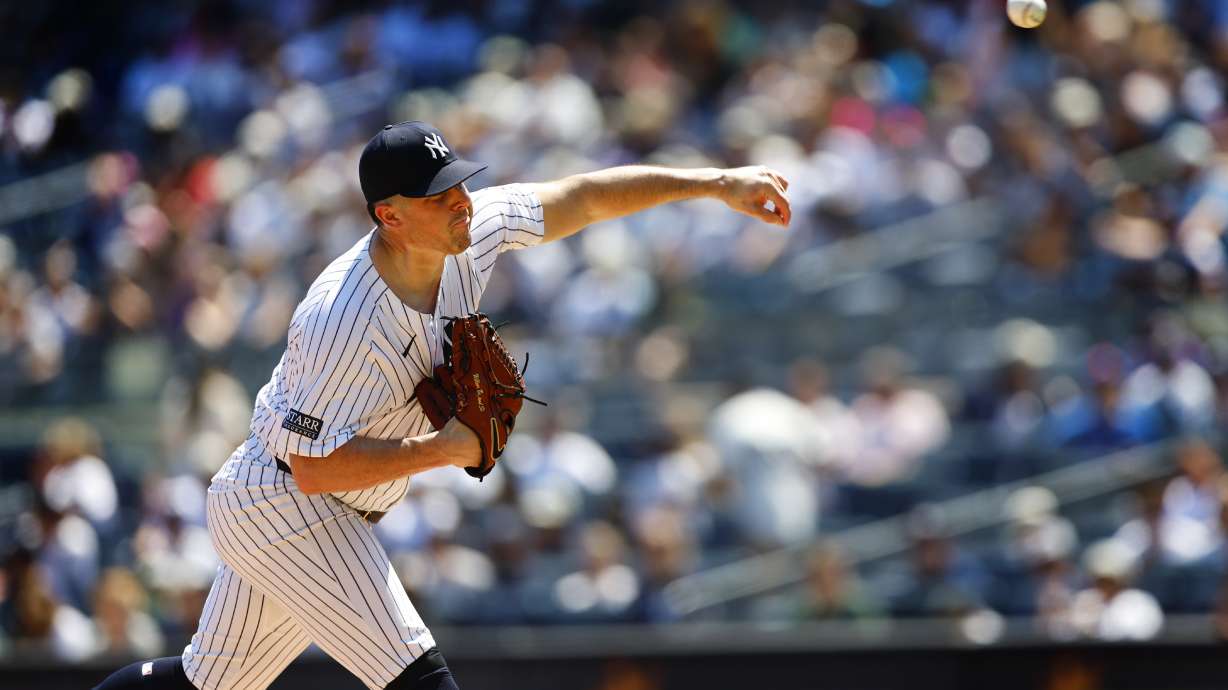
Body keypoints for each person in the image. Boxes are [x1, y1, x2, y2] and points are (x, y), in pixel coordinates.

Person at [91, 120, 791, 690]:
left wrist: (716, 183)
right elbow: (309, 469)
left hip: (321, 504)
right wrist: (447, 447)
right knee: (420, 678)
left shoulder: (467, 232)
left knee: (203, 685)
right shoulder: (343, 318)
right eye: (438, 195)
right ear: (390, 216)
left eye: (457, 182)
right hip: (284, 504)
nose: (460, 200)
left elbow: (579, 197)